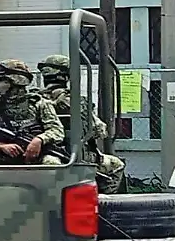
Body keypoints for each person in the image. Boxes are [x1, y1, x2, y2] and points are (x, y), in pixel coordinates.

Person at [35, 54, 126, 193]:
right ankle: (103, 203)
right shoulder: (76, 100)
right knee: (116, 166)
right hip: (73, 154)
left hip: (44, 153)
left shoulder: (34, 99)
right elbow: (100, 130)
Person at [0, 59, 65, 167]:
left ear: (15, 81)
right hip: (1, 154)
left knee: (52, 163)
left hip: (34, 153)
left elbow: (56, 130)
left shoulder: (39, 104)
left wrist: (39, 140)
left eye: (1, 80)